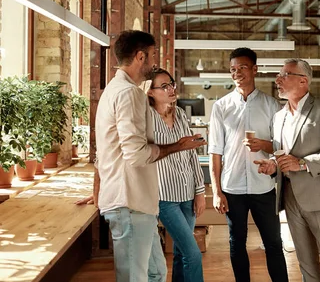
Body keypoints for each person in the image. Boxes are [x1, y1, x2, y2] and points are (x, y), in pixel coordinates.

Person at [80, 30, 206, 282]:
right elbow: (135, 155)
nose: (154, 61)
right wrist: (176, 147)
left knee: (156, 272)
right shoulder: (129, 94)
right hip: (130, 201)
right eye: (152, 55)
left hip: (138, 203)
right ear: (140, 56)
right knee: (135, 277)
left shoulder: (116, 90)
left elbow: (107, 150)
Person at [256, 58, 320, 282]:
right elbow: (281, 155)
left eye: (286, 74)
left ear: (303, 81)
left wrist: (303, 163)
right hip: (289, 196)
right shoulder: (278, 117)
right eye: (279, 75)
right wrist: (272, 164)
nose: (278, 79)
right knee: (306, 263)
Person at [208, 47, 288, 282]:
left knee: (274, 243)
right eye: (233, 69)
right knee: (236, 243)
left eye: (242, 67)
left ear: (255, 69)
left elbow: (282, 146)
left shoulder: (272, 105)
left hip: (264, 187)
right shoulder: (221, 107)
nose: (237, 73)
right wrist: (216, 191)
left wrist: (263, 144)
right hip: (232, 189)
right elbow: (215, 152)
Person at [146, 67, 206, 282]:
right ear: (150, 91)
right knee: (192, 253)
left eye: (171, 84)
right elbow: (143, 155)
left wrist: (200, 192)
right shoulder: (145, 118)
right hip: (163, 196)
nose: (171, 89)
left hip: (187, 193)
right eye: (164, 86)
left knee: (181, 253)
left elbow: (191, 154)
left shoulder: (180, 114)